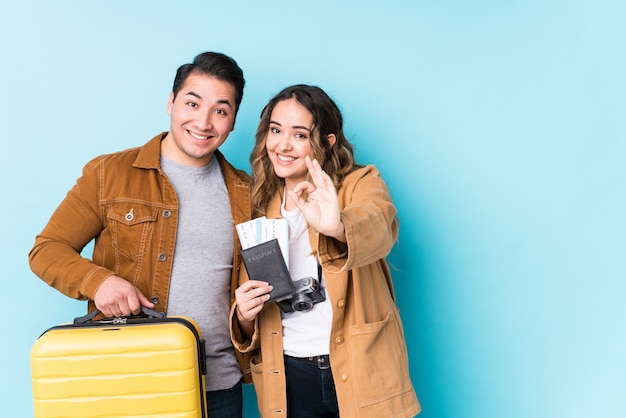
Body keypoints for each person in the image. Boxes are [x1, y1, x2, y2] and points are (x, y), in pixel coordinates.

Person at [29, 51, 251, 418]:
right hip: (131, 377)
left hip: (219, 388)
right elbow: (46, 249)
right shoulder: (108, 174)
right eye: (192, 103)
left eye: (220, 110)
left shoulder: (248, 193)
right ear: (171, 102)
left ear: (232, 121)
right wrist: (98, 282)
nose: (203, 121)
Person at [231, 84, 421, 417]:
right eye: (275, 130)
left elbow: (381, 224)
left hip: (358, 367)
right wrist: (244, 316)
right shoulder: (258, 208)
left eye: (300, 135)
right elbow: (253, 310)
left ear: (326, 142)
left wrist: (336, 226)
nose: (283, 145)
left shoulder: (359, 184)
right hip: (288, 375)